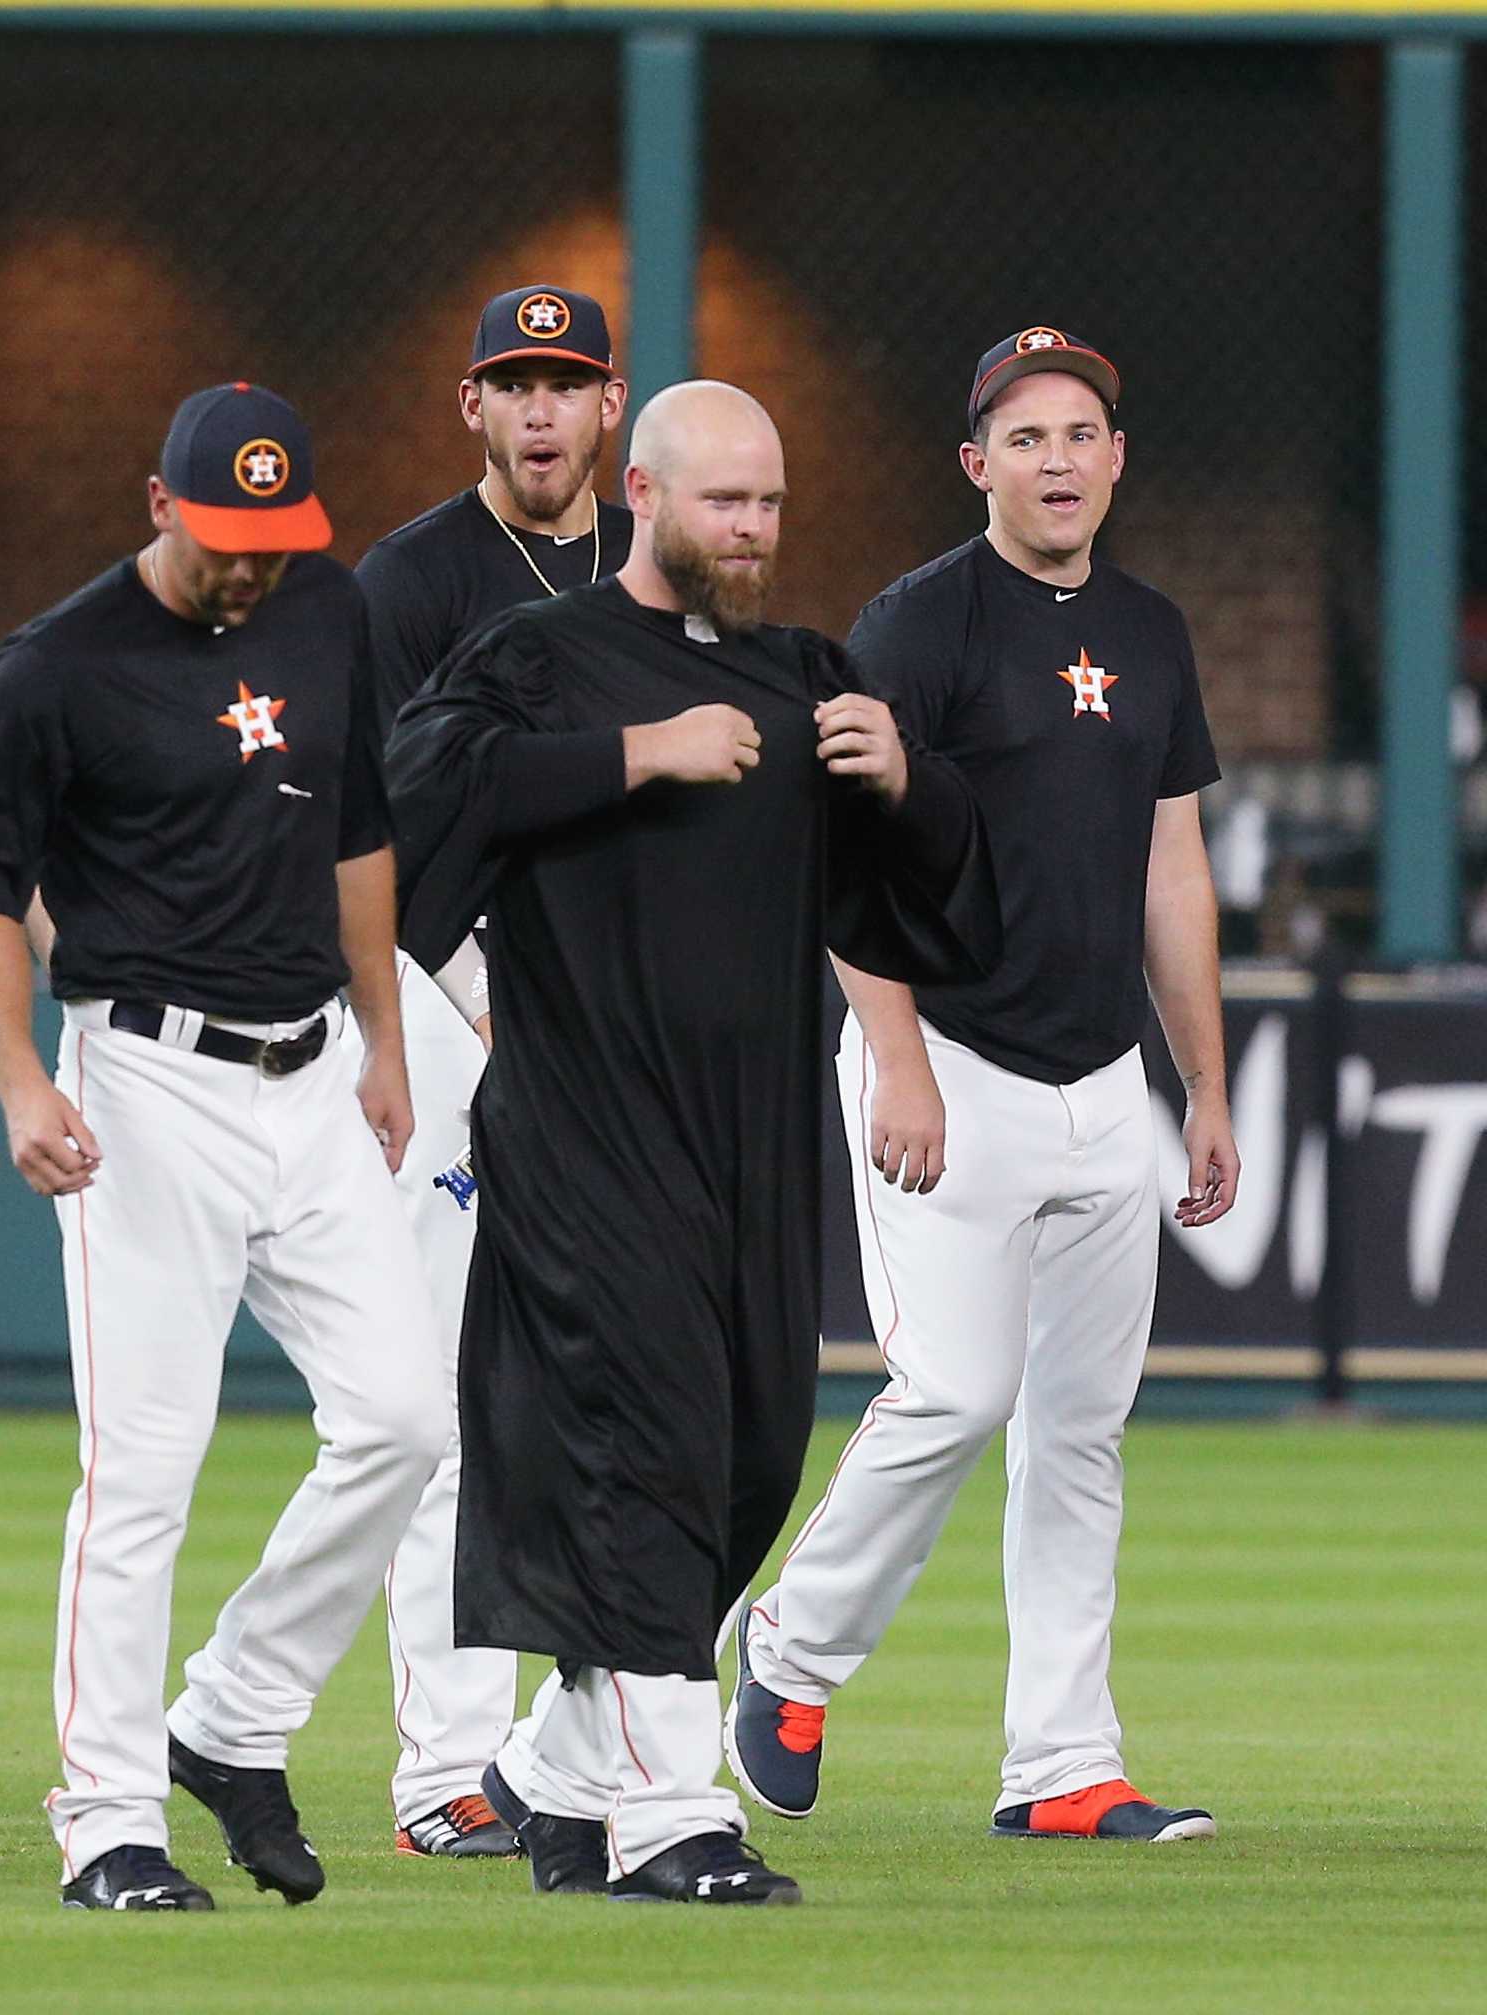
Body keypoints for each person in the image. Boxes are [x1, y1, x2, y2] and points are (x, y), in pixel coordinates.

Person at [386, 380, 998, 1904]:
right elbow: (408, 816)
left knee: (744, 1457)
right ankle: (677, 1821)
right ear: (640, 496)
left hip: (763, 1135)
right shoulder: (538, 658)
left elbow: (924, 908)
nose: (754, 528)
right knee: (648, 1443)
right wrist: (634, 756)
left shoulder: (809, 677)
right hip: (585, 1124)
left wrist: (911, 781)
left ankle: (550, 1775)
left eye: (773, 502)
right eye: (726, 499)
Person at [0, 383, 447, 1914]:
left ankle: (227, 1717)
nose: (252, 567)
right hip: (147, 1084)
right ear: (155, 503)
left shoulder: (327, 609)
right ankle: (107, 1819)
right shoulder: (59, 667)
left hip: (310, 1074)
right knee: (145, 1469)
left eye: (276, 538)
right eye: (226, 538)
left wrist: (386, 1040)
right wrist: (25, 1084)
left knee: (408, 1422)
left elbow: (359, 830)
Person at [728, 328, 1236, 1845]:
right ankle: (788, 1649)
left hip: (1101, 1082)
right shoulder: (921, 623)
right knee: (953, 1388)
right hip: (949, 1057)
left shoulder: (1150, 631)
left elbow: (1174, 867)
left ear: (1117, 456)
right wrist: (893, 1057)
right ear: (978, 464)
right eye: (1026, 438)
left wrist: (1199, 1083)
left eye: (1082, 431)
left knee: (1081, 1431)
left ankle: (1064, 1767)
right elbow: (846, 853)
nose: (1059, 459)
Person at [352, 284, 632, 1859]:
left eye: (567, 383)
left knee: (620, 1405)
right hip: (447, 1013)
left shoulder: (649, 567)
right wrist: (453, 1013)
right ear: (472, 405)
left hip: (618, 1029)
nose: (541, 411)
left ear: (609, 405)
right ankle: (446, 1774)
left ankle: (583, 1760)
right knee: (460, 1410)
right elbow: (371, 831)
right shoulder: (412, 579)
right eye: (514, 383)